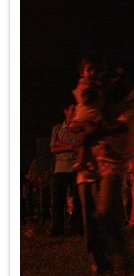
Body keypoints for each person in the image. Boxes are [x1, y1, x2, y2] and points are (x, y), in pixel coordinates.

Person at [77, 60, 134, 275]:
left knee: (105, 212)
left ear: (132, 82)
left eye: (122, 76)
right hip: (91, 163)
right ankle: (101, 264)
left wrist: (90, 131)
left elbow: (117, 127)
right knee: (90, 221)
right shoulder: (105, 97)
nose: (116, 79)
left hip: (113, 166)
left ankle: (123, 256)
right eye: (114, 75)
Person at [49, 100, 83, 236]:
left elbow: (80, 147)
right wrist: (70, 147)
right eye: (72, 109)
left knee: (78, 201)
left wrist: (61, 144)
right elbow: (52, 148)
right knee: (57, 200)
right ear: (65, 111)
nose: (74, 112)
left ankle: (76, 228)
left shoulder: (80, 129)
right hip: (61, 168)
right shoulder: (57, 128)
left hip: (75, 168)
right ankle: (57, 229)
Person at [70, 58, 107, 174]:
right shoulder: (82, 84)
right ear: (82, 73)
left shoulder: (100, 86)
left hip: (93, 119)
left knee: (86, 139)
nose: (93, 73)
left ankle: (86, 162)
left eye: (96, 70)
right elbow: (82, 98)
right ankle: (85, 162)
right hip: (82, 118)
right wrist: (90, 89)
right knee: (82, 137)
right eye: (89, 70)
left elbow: (103, 102)